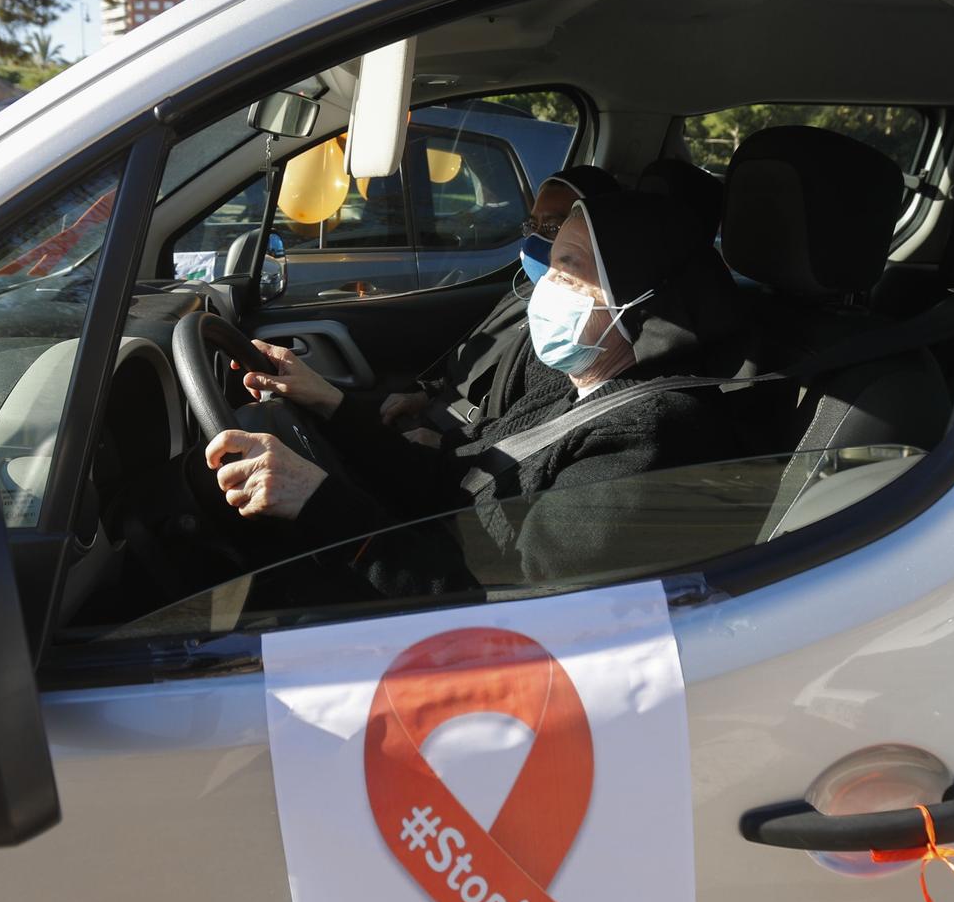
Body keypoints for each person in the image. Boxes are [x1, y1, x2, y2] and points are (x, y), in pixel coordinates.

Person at [204, 190, 735, 590]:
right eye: (551, 266)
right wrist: (329, 401)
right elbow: (458, 479)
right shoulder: (573, 380)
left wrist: (318, 502)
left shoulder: (652, 438)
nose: (545, 286)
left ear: (637, 307)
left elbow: (508, 600)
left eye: (569, 273)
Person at [375, 164, 621, 432]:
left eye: (552, 227)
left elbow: (521, 432)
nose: (534, 239)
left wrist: (445, 445)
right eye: (532, 225)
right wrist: (424, 395)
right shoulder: (522, 292)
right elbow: (466, 367)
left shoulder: (582, 331)